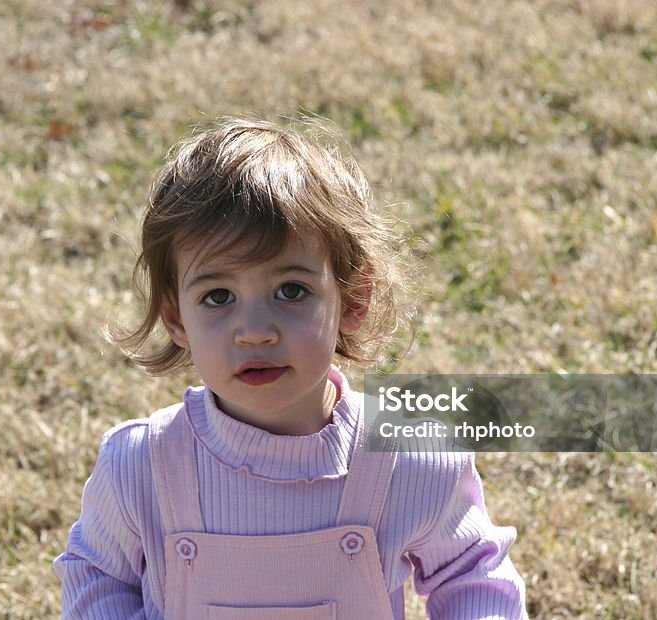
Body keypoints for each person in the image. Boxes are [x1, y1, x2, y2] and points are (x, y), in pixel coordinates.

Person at [53, 116, 527, 618]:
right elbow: (98, 575)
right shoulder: (143, 466)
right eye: (218, 297)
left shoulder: (407, 461)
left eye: (291, 291)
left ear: (352, 299)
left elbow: (474, 572)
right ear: (176, 319)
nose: (255, 330)